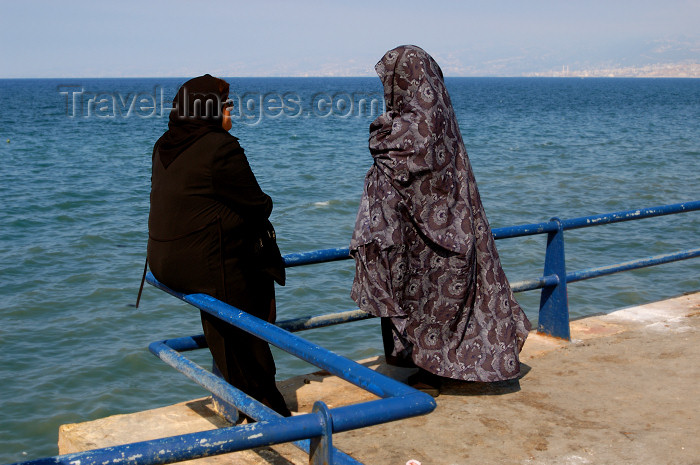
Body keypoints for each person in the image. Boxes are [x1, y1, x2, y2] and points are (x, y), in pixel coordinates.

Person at [350, 46, 531, 394]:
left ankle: (430, 373)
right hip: (455, 224)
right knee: (442, 303)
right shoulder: (440, 117)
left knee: (427, 300)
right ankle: (441, 366)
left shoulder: (410, 127)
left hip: (426, 237)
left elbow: (401, 161)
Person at [147, 74, 291, 416]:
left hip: (165, 262)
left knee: (224, 311)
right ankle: (264, 402)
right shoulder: (220, 147)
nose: (232, 112)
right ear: (209, 109)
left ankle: (242, 396)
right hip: (203, 264)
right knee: (251, 293)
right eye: (227, 105)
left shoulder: (165, 144)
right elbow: (259, 204)